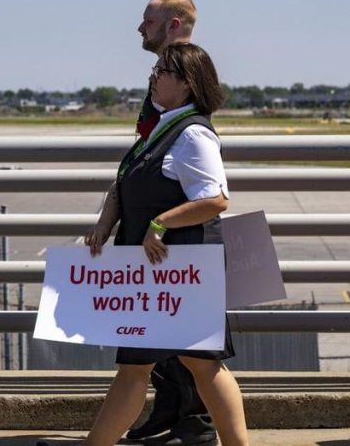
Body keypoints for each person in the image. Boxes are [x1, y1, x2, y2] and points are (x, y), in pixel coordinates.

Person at [81, 43, 248, 446]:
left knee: (179, 364)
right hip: (157, 271)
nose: (152, 77)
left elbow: (215, 198)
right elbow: (127, 182)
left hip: (178, 267)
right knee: (166, 363)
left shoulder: (192, 134)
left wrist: (159, 223)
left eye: (161, 71)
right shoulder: (163, 126)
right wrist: (107, 221)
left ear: (187, 84)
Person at [127, 0, 218, 445]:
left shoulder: (183, 78)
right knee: (165, 348)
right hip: (152, 235)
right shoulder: (162, 85)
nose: (139, 28)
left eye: (148, 21)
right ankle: (172, 415)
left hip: (175, 240)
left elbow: (210, 189)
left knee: (187, 349)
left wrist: (158, 221)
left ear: (174, 24)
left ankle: (193, 424)